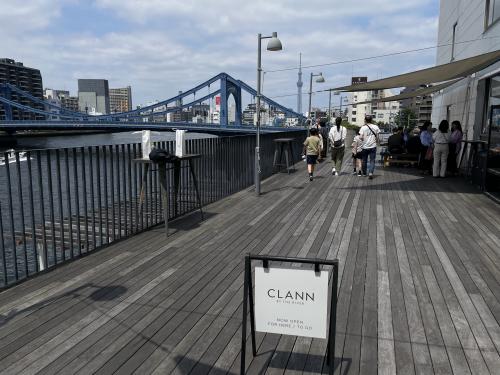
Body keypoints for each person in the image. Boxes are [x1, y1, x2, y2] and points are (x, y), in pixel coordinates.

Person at [359, 115, 380, 179]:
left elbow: (360, 137)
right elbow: (377, 137)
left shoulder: (363, 127)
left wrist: (364, 140)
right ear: (371, 120)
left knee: (364, 160)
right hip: (373, 146)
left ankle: (365, 173)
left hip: (365, 146)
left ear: (365, 120)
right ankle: (370, 173)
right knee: (372, 161)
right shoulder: (375, 127)